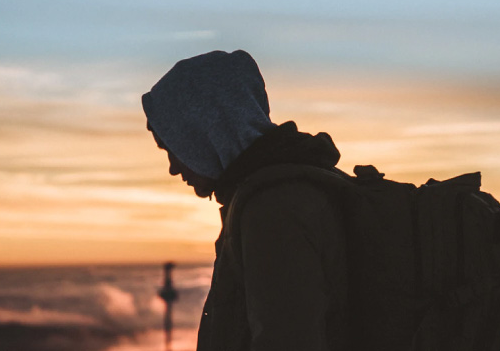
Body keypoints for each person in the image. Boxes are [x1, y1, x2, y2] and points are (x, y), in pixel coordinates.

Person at [142, 50, 347, 351]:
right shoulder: (291, 189)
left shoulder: (273, 213)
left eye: (173, 149)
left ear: (202, 135)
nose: (173, 167)